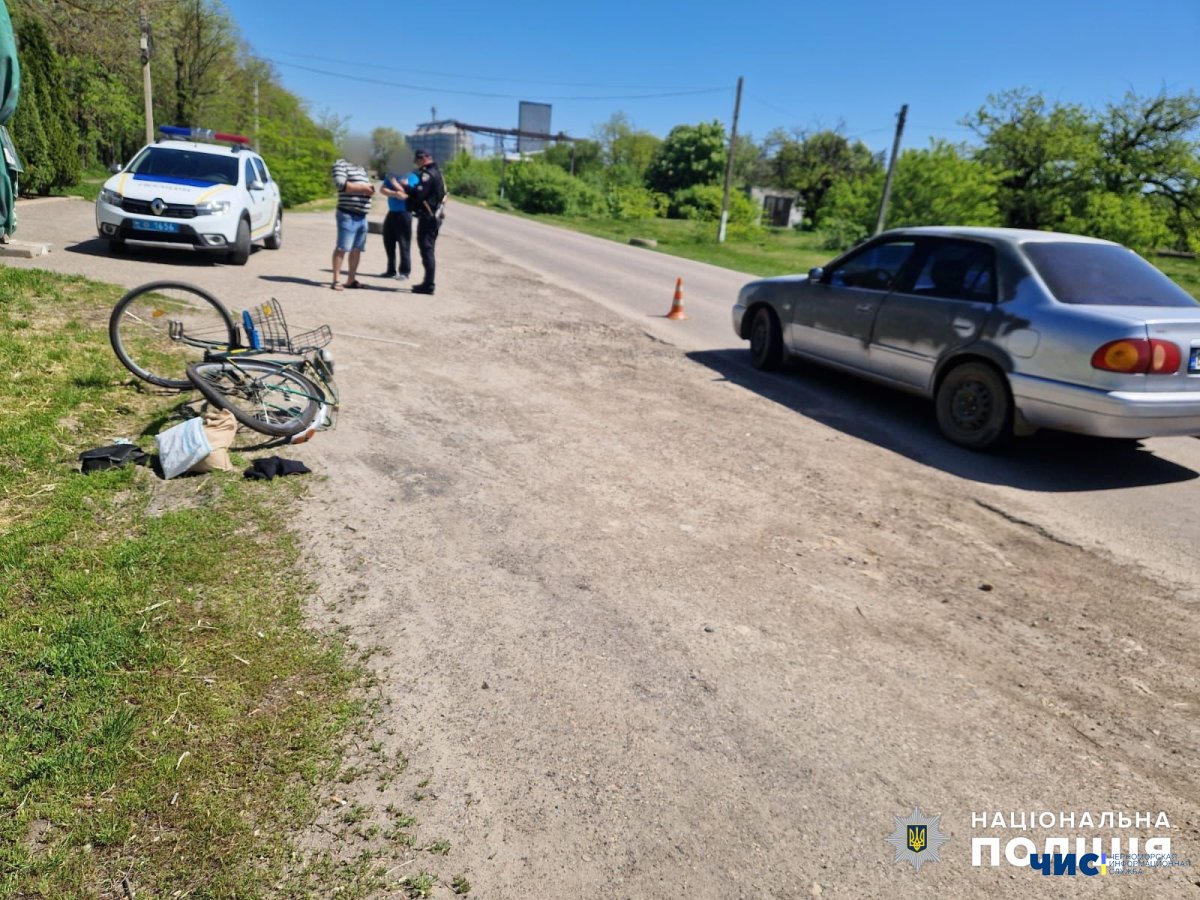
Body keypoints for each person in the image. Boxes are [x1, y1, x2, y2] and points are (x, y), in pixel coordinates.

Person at [398, 149, 446, 295]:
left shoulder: (428, 174)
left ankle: (429, 284)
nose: (416, 164)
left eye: (417, 161)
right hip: (432, 216)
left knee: (427, 250)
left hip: (429, 217)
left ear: (423, 159)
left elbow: (419, 194)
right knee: (427, 249)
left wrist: (406, 186)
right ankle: (427, 282)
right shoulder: (438, 172)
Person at [330, 152, 374, 291]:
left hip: (362, 215)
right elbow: (340, 184)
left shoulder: (361, 168)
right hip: (347, 214)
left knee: (357, 249)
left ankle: (351, 279)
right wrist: (363, 188)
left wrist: (369, 190)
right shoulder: (341, 164)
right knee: (342, 247)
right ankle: (336, 280)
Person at [379, 168, 417, 280]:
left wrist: (394, 183)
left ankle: (405, 272)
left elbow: (407, 194)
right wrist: (395, 193)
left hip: (405, 213)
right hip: (392, 212)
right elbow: (382, 189)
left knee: (404, 243)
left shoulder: (412, 176)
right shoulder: (392, 173)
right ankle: (391, 270)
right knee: (388, 241)